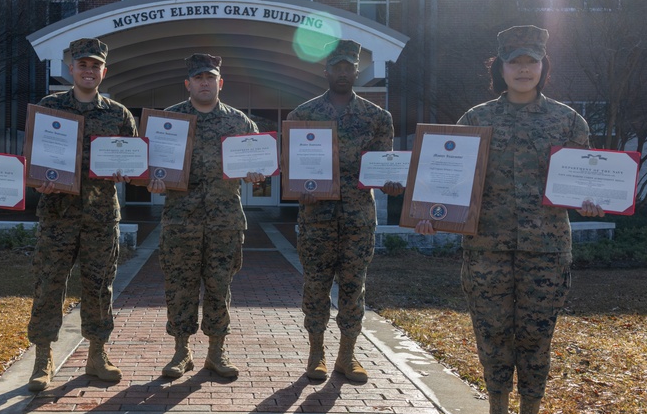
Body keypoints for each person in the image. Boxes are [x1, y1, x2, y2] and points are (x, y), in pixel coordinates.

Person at [415, 25, 604, 414]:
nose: (523, 69)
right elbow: (449, 181)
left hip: (547, 250)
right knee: (492, 333)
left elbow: (582, 181)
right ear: (499, 67)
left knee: (536, 336)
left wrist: (592, 201)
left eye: (531, 61)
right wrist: (430, 214)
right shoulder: (476, 120)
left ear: (543, 66)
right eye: (514, 61)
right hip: (486, 249)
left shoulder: (568, 121)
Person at [287, 39, 403, 383]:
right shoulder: (302, 115)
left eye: (347, 67)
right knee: (315, 287)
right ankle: (316, 353)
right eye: (335, 66)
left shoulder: (377, 117)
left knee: (354, 288)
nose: (341, 72)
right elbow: (290, 164)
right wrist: (299, 190)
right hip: (315, 218)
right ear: (325, 71)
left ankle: (347, 355)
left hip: (358, 218)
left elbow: (385, 166)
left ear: (356, 70)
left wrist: (391, 184)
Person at [27, 37, 138, 391]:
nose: (89, 71)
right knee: (48, 286)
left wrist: (126, 172)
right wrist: (37, 182)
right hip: (57, 215)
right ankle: (43, 359)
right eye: (82, 64)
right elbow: (34, 160)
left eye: (95, 66)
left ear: (104, 71)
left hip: (101, 217)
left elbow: (134, 160)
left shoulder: (119, 114)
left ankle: (97, 354)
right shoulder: (49, 108)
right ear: (71, 68)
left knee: (99, 287)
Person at [147, 54, 265, 379]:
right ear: (188, 84)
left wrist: (258, 174)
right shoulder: (167, 122)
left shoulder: (240, 123)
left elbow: (260, 163)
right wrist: (152, 179)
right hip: (180, 221)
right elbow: (150, 168)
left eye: (210, 78)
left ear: (220, 83)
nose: (204, 83)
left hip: (224, 222)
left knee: (218, 286)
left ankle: (216, 352)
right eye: (198, 78)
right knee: (179, 286)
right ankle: (181, 352)